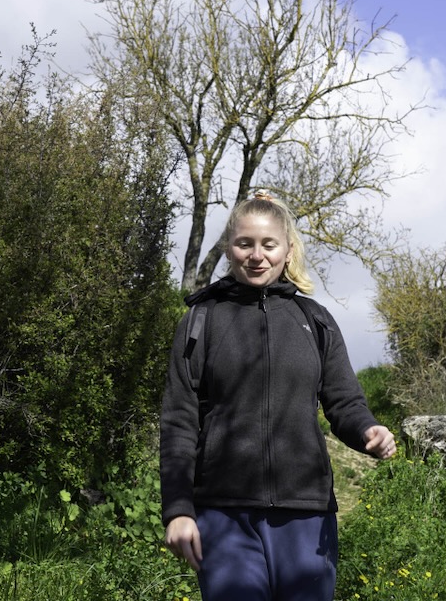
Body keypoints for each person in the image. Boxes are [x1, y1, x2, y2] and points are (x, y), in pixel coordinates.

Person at [160, 190, 396, 600]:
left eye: (268, 245)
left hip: (306, 514)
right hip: (224, 514)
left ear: (288, 250)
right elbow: (179, 419)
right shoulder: (201, 319)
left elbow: (344, 401)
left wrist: (368, 431)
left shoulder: (315, 320)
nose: (257, 255)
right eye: (245, 244)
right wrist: (178, 509)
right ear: (229, 248)